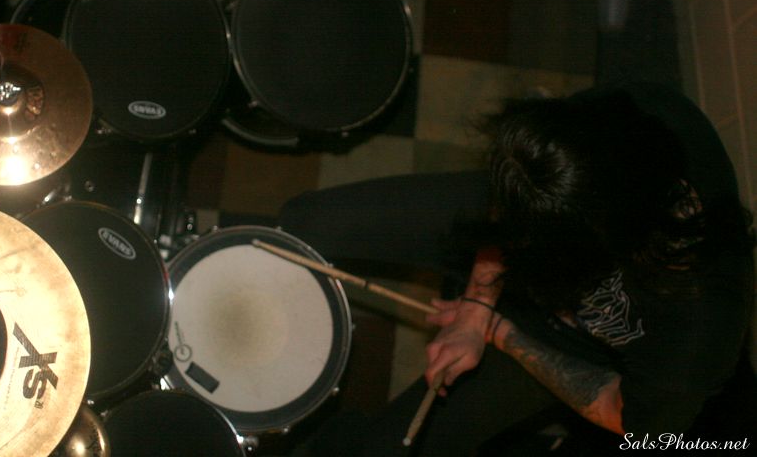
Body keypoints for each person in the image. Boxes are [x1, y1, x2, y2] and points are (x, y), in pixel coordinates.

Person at [278, 81, 755, 456]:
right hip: (531, 218)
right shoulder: (634, 114)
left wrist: (499, 332)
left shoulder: (696, 340)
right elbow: (506, 209)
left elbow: (622, 413)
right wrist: (475, 307)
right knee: (303, 225)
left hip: (561, 344)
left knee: (384, 451)